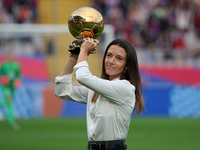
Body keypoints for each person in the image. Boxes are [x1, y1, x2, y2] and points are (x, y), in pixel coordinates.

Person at [54, 38, 144, 150]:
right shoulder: (97, 89)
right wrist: (74, 58)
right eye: (109, 55)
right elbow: (61, 91)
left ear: (127, 66)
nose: (111, 61)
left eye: (119, 58)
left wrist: (84, 51)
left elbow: (83, 77)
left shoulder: (125, 88)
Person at [0, 51, 22, 130]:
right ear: (7, 56)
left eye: (12, 56)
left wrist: (18, 80)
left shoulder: (16, 65)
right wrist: (3, 79)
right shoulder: (4, 65)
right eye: (10, 56)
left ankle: (12, 121)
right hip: (6, 87)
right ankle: (12, 122)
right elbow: (1, 74)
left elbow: (18, 75)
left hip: (12, 87)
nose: (11, 57)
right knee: (9, 103)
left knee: (8, 103)